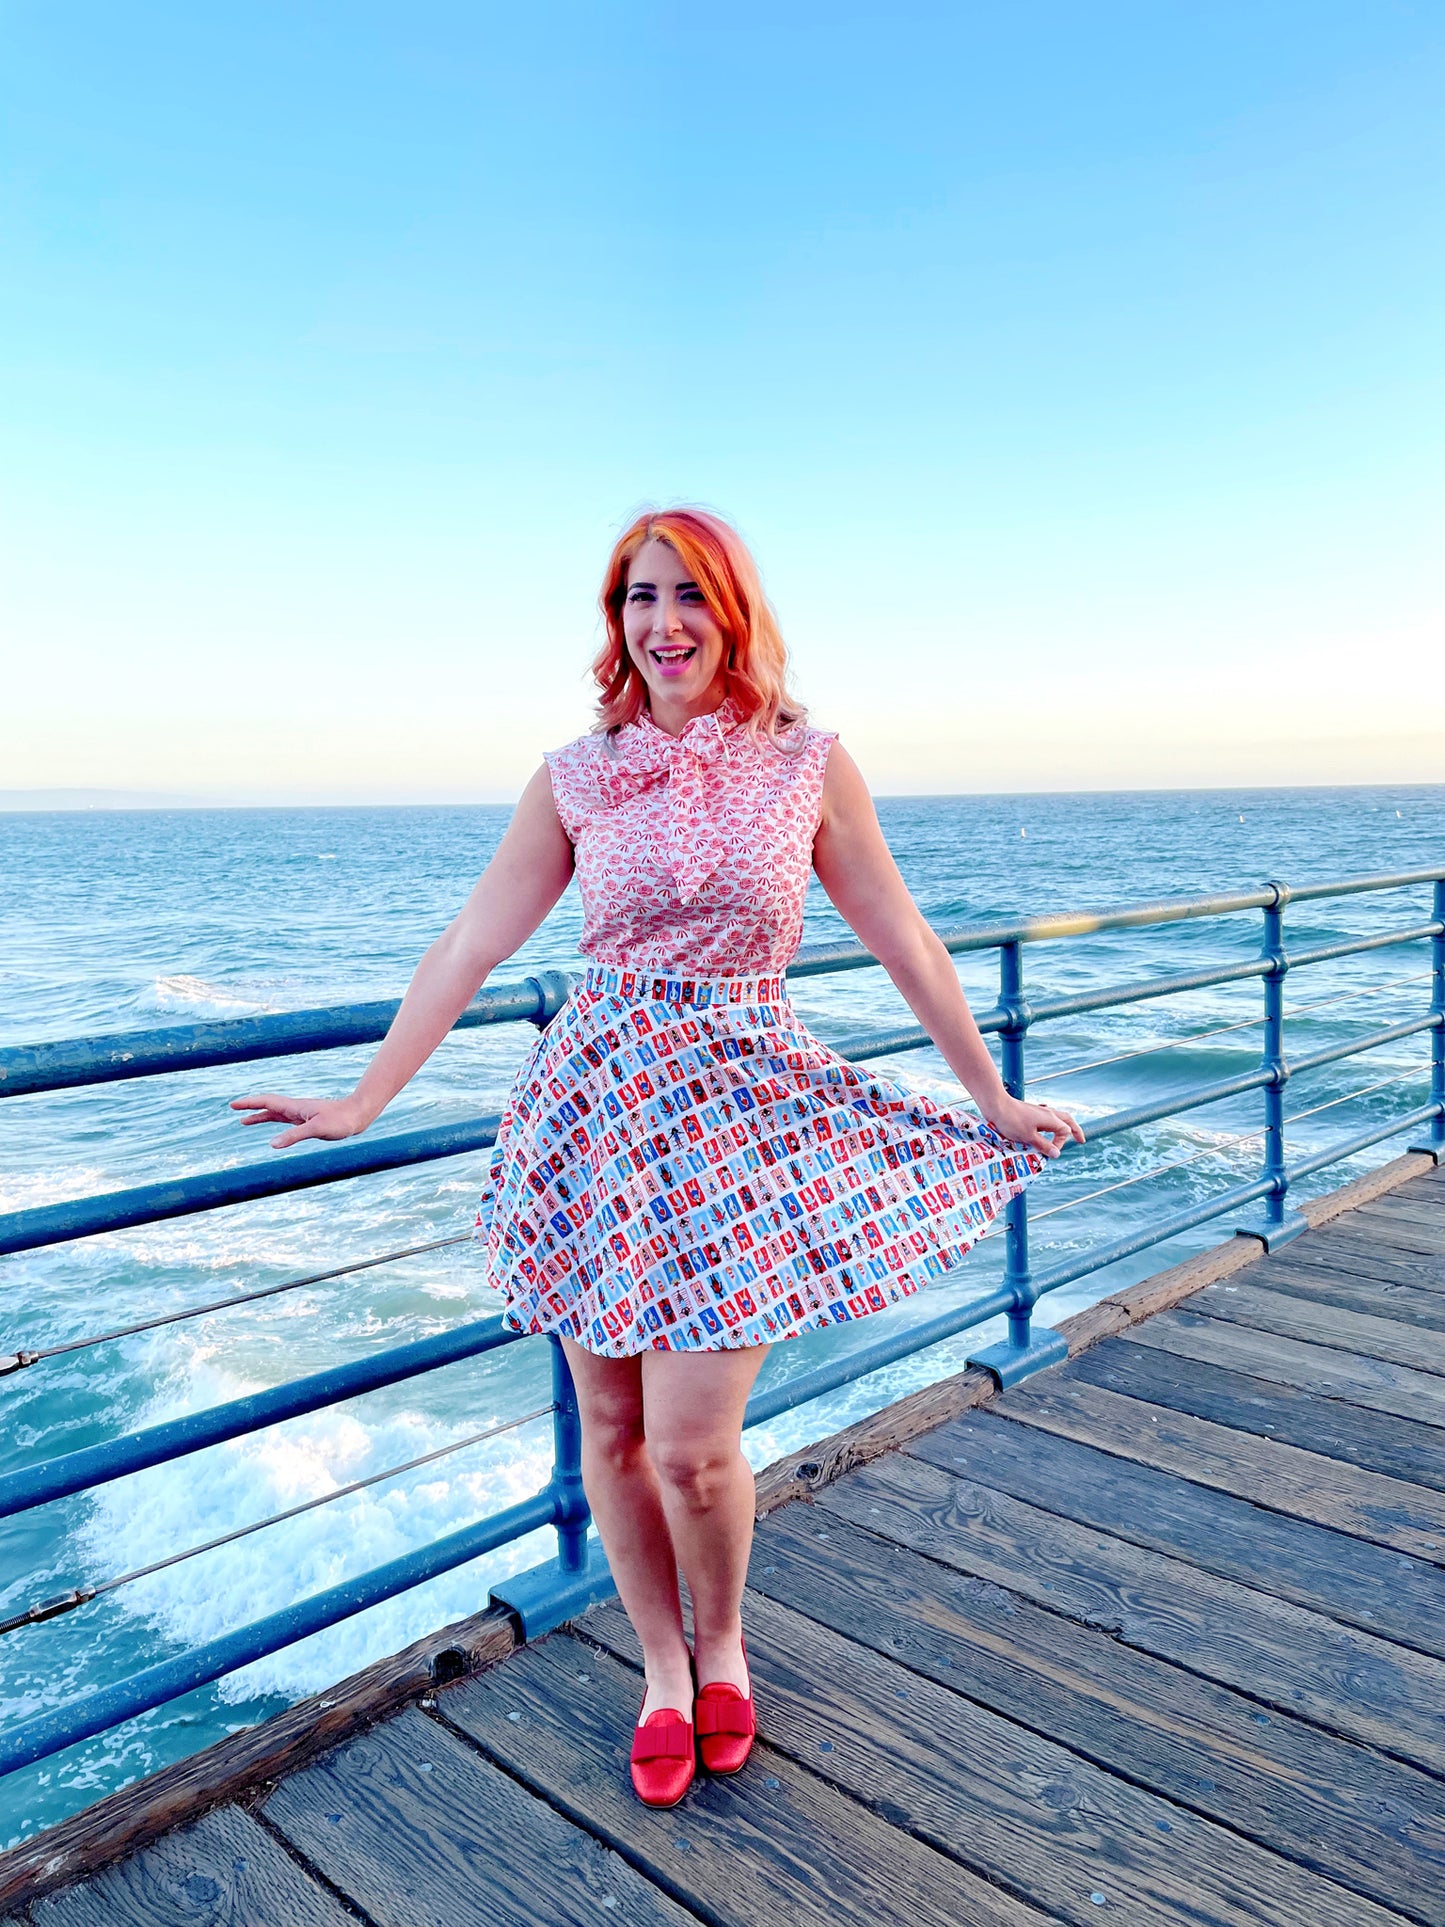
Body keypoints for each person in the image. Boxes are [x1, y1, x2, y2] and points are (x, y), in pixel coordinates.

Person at [233, 507, 1083, 1809]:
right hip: (596, 1118)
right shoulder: (576, 773)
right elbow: (472, 945)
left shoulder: (807, 761)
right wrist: (365, 1098)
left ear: (732, 609)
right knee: (615, 1429)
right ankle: (661, 1672)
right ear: (613, 618)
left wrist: (989, 1091)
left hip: (742, 1111)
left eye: (686, 593)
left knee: (695, 1444)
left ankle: (725, 1640)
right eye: (636, 596)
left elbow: (902, 934)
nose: (660, 620)